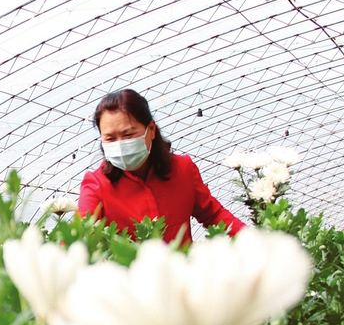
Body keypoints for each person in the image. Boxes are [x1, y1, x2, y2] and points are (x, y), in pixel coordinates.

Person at [78, 89, 245, 243]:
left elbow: (214, 215)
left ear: (151, 129)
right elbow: (82, 236)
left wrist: (254, 241)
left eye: (129, 134)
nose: (121, 144)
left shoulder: (182, 170)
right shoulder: (96, 185)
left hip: (183, 271)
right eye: (110, 139)